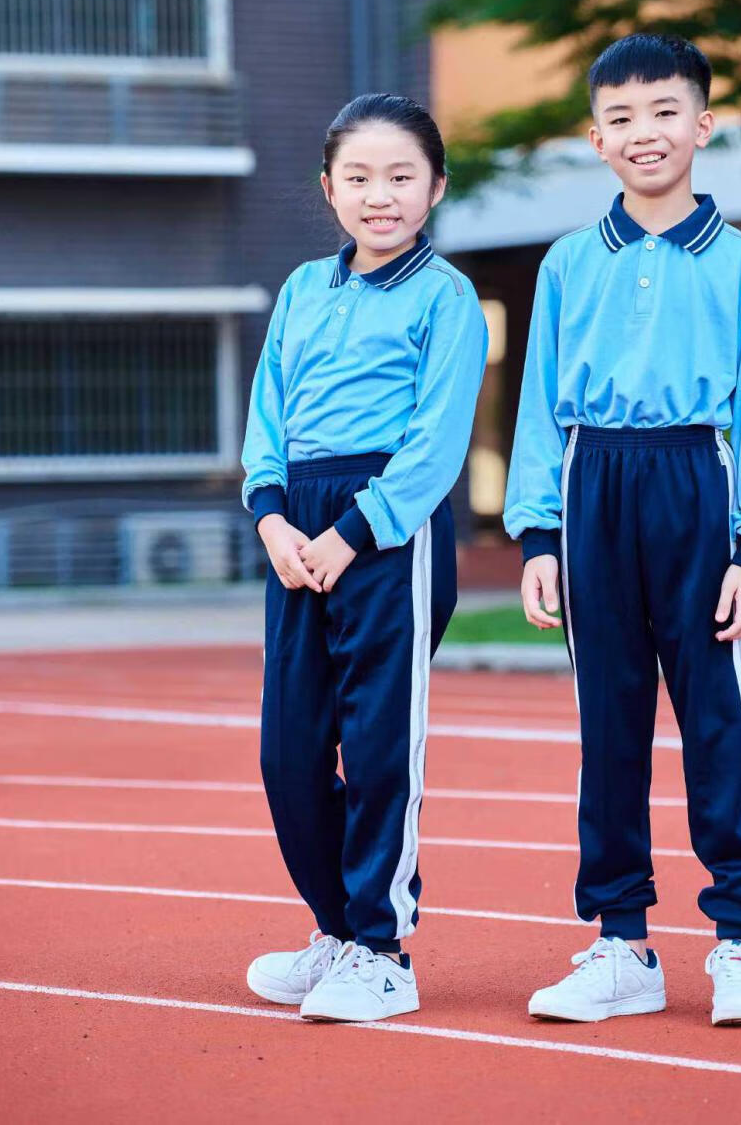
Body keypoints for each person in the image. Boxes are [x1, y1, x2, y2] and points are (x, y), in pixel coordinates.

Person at [504, 33, 741, 1027]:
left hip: (697, 489)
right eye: (622, 117)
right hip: (595, 489)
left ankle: (739, 940)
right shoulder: (567, 263)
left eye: (665, 111)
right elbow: (539, 402)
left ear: (703, 124)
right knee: (610, 726)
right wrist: (537, 533)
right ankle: (620, 940)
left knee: (719, 720)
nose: (646, 133)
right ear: (596, 138)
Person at [241, 93, 488, 1024]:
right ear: (328, 189)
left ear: (435, 187)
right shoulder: (305, 289)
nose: (379, 196)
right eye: (359, 179)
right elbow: (268, 412)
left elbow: (436, 441)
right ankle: (336, 929)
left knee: (379, 747)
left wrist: (354, 531)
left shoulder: (447, 296)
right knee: (288, 753)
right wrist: (271, 519)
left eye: (400, 177)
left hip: (389, 531)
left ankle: (382, 951)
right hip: (294, 530)